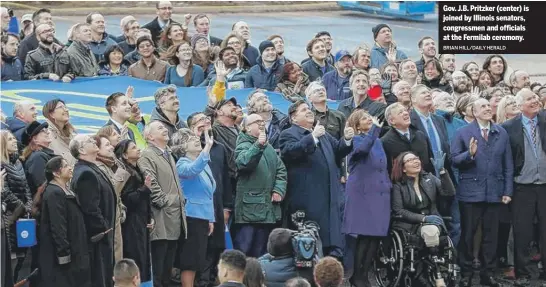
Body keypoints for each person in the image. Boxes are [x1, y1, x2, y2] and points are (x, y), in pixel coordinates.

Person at [451, 98, 514, 287]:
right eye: (483, 107)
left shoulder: (501, 132)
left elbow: (508, 165)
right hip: (471, 191)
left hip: (494, 191)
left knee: (491, 235)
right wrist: (469, 155)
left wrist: (507, 190)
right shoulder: (463, 132)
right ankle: (467, 272)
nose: (488, 108)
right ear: (474, 112)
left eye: (489, 106)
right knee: (468, 234)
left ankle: (489, 273)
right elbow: (454, 159)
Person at [280, 100, 354, 258]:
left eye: (309, 109)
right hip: (307, 198)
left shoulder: (323, 133)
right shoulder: (288, 134)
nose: (309, 111)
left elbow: (339, 150)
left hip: (329, 196)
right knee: (310, 244)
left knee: (330, 240)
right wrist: (312, 137)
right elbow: (290, 152)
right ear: (293, 118)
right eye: (303, 109)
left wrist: (347, 139)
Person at [501, 89, 546, 286]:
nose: (535, 100)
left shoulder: (544, 120)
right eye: (529, 99)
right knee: (522, 231)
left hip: (545, 184)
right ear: (519, 106)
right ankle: (524, 271)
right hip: (522, 186)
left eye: (535, 97)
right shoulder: (508, 127)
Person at [390, 151, 455, 285]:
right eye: (410, 160)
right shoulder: (398, 185)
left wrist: (442, 172)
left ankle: (435, 270)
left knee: (431, 230)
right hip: (408, 223)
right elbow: (398, 210)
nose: (415, 161)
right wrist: (423, 219)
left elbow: (449, 193)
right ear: (403, 168)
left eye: (416, 158)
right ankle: (433, 275)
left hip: (431, 220)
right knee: (429, 231)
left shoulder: (429, 179)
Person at [343, 109, 391, 287]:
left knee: (375, 235)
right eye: (364, 118)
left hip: (379, 192)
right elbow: (361, 152)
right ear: (356, 125)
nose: (369, 119)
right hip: (362, 192)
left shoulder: (377, 141)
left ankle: (364, 273)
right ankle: (357, 275)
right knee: (364, 235)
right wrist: (373, 132)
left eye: (369, 117)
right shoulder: (356, 140)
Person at [186, 112, 233, 287]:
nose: (205, 122)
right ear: (191, 128)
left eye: (207, 120)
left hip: (217, 206)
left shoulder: (219, 148)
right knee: (200, 250)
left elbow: (226, 179)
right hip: (196, 210)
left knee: (216, 248)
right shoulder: (186, 150)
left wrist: (227, 207)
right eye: (199, 121)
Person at [137, 121, 186, 287]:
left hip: (173, 220)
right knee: (158, 271)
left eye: (165, 127)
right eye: (159, 128)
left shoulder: (168, 154)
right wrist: (172, 201)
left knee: (167, 272)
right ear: (150, 136)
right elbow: (152, 186)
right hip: (160, 221)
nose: (165, 129)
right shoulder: (147, 155)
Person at [234, 114, 287, 257]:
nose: (262, 123)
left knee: (263, 252)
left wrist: (278, 189)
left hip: (267, 209)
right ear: (246, 128)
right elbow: (244, 163)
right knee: (245, 250)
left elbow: (281, 169)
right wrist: (258, 146)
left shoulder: (268, 147)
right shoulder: (243, 145)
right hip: (249, 211)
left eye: (262, 121)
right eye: (257, 122)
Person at [170, 128, 215, 287]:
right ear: (182, 146)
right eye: (190, 139)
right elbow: (192, 171)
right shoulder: (182, 163)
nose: (196, 139)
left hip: (202, 217)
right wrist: (206, 149)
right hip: (191, 217)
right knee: (190, 260)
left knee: (197, 259)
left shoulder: (204, 163)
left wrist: (210, 218)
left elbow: (208, 194)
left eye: (195, 137)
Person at [69, 134, 116, 287]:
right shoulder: (85, 173)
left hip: (103, 234)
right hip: (97, 238)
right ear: (81, 150)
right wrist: (103, 228)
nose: (93, 141)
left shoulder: (92, 168)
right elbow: (90, 208)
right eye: (89, 141)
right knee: (100, 278)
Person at [38, 156, 91, 287]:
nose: (70, 168)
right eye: (66, 166)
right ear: (56, 173)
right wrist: (64, 254)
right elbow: (58, 226)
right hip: (63, 258)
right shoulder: (53, 193)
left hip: (76, 249)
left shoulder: (65, 189)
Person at [115, 140, 153, 284]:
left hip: (141, 222)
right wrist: (145, 189)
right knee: (135, 259)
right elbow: (127, 199)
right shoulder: (126, 173)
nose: (138, 149)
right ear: (124, 155)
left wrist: (150, 218)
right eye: (133, 148)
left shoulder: (137, 170)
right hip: (131, 224)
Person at [0, 130, 32, 281]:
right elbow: (4, 191)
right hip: (9, 217)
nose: (14, 141)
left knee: (21, 260)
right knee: (9, 260)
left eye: (14, 138)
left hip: (22, 216)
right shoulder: (1, 164)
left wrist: (29, 205)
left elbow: (26, 187)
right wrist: (21, 206)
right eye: (10, 139)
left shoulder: (18, 162)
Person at [93, 134, 130, 264]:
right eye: (107, 145)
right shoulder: (98, 167)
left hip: (116, 216)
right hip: (109, 218)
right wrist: (120, 172)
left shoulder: (108, 165)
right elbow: (112, 191)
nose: (111, 147)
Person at [381, 102, 434, 174]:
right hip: (402, 183)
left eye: (405, 111)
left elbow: (430, 160)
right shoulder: (386, 142)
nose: (405, 113)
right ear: (392, 121)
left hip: (426, 180)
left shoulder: (420, 135)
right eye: (400, 112)